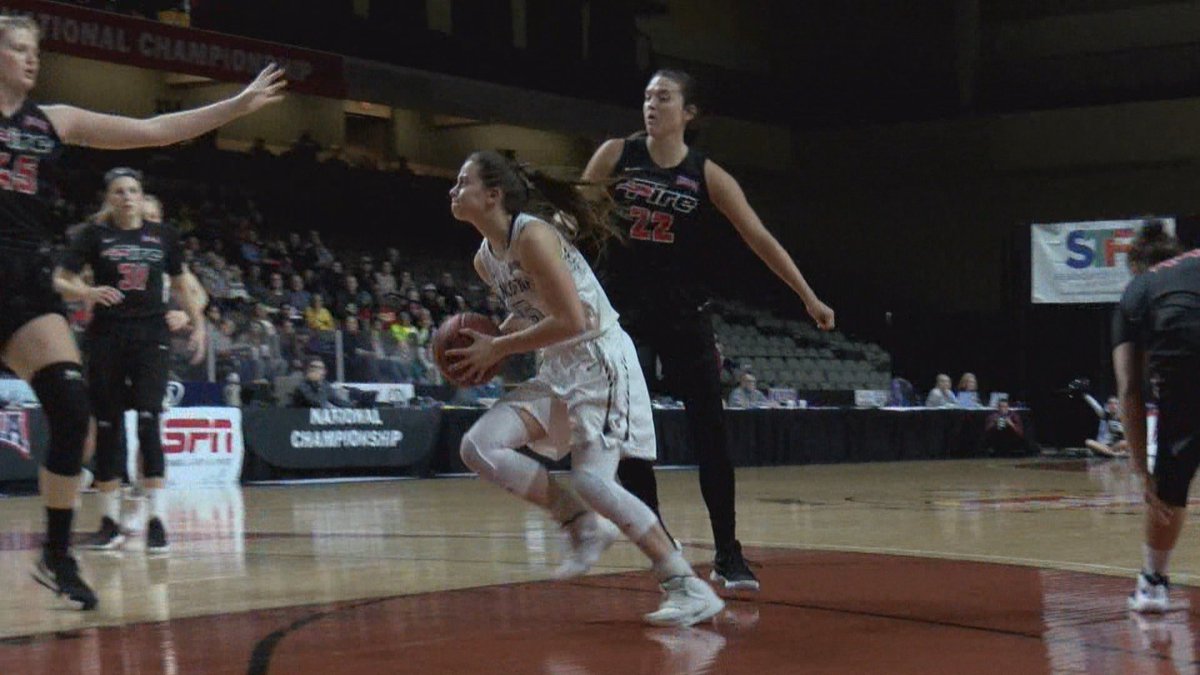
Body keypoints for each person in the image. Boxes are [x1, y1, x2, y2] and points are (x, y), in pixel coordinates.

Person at [0, 14, 283, 609]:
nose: (32, 59)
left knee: (73, 412)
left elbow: (154, 129)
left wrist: (233, 106)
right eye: (18, 48)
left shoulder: (55, 122)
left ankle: (56, 553)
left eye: (35, 50)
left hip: (24, 283)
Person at [447, 150, 724, 627]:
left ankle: (687, 585)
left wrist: (502, 348)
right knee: (480, 447)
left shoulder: (532, 235)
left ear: (493, 195)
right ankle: (580, 524)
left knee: (594, 480)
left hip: (600, 359)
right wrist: (493, 342)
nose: (453, 189)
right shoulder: (484, 259)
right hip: (558, 365)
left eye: (462, 181)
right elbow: (536, 310)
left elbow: (573, 319)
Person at [582, 69, 834, 591]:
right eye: (648, 95)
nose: (652, 104)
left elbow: (759, 238)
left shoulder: (707, 175)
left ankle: (728, 553)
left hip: (684, 314)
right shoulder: (614, 155)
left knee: (712, 438)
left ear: (688, 113)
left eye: (664, 97)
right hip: (623, 318)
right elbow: (571, 223)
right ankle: (664, 552)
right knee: (631, 437)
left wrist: (807, 295)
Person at [55, 169, 207, 554]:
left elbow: (183, 284)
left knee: (148, 422)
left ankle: (156, 520)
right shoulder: (93, 236)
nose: (127, 197)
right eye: (119, 191)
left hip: (151, 339)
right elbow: (60, 278)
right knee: (107, 428)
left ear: (142, 197)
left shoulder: (164, 236)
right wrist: (87, 291)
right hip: (106, 338)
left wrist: (196, 324)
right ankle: (109, 522)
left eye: (133, 191)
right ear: (109, 198)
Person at [1111, 221, 1193, 613]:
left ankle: (1153, 584)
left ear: (1137, 266)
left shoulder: (1139, 289)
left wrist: (1143, 470)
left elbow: (1129, 388)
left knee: (1169, 491)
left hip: (1186, 381)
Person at [1083, 394, 1129, 458]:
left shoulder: (1122, 419)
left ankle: (1107, 453)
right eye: (1110, 403)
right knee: (1088, 442)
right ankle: (1114, 454)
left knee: (1125, 442)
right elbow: (1095, 405)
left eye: (1115, 403)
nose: (1113, 406)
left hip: (1114, 446)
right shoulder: (1105, 415)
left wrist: (1121, 430)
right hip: (1103, 446)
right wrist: (1085, 395)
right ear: (1107, 405)